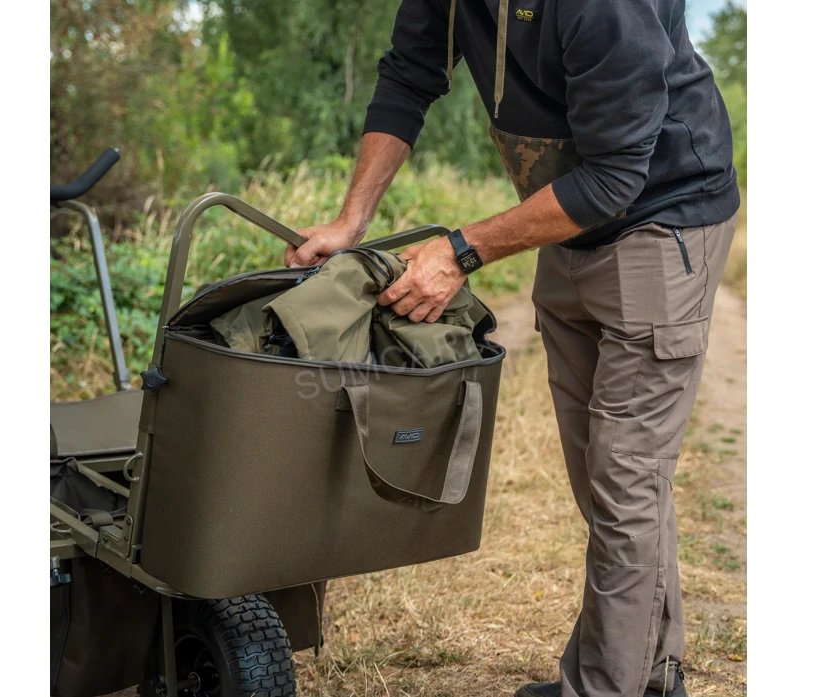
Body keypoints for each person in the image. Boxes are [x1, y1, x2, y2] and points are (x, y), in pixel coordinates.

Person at [284, 0, 739, 694]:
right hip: (568, 220)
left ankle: (608, 687)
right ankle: (649, 671)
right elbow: (409, 75)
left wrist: (463, 251)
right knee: (609, 477)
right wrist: (353, 220)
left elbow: (617, 176)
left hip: (661, 214)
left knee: (625, 476)